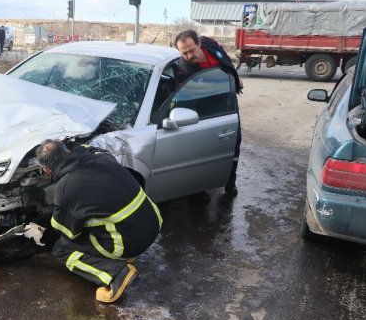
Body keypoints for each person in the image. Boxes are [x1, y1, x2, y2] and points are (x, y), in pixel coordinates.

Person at [36, 139, 162, 303]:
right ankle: (122, 254)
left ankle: (116, 274)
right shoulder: (98, 153)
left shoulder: (67, 187)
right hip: (153, 221)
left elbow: (66, 232)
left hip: (131, 242)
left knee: (61, 248)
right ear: (67, 150)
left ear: (46, 170)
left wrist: (51, 214)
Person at [174, 29, 242, 196]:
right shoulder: (183, 69)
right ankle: (202, 186)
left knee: (234, 141)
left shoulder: (210, 44)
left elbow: (226, 60)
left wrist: (235, 77)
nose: (189, 56)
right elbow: (186, 98)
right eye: (184, 53)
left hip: (228, 100)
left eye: (191, 50)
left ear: (199, 43)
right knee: (207, 146)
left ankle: (230, 182)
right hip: (207, 108)